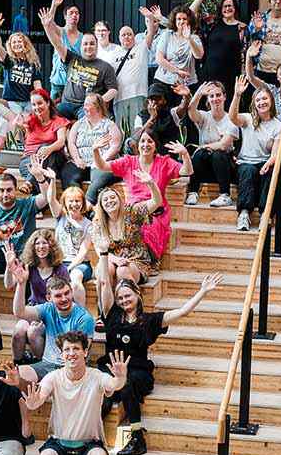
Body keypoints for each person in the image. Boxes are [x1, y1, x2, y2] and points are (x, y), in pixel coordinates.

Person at [99, 273, 222, 455]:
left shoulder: (150, 320)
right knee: (100, 390)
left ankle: (137, 438)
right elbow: (103, 283)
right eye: (120, 298)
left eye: (127, 295)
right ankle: (90, 437)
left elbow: (182, 312)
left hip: (137, 372)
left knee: (126, 384)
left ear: (137, 294)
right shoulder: (112, 315)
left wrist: (202, 291)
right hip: (110, 370)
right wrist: (103, 256)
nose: (124, 300)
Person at [94, 128, 190, 262]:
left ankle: (142, 263)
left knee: (144, 231)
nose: (146, 144)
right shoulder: (128, 162)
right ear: (137, 145)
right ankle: (117, 260)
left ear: (155, 145)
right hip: (132, 212)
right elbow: (102, 166)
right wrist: (95, 151)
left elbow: (186, 171)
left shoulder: (164, 162)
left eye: (150, 141)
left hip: (155, 212)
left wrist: (185, 154)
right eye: (142, 141)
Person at [10, 260, 96, 384]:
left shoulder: (84, 318)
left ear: (72, 292)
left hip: (72, 368)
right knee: (16, 376)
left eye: (67, 293)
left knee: (49, 384)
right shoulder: (48, 308)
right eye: (58, 296)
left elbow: (80, 355)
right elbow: (20, 312)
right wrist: (21, 284)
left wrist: (53, 378)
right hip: (47, 365)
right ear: (49, 298)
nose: (64, 298)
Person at [88, 184, 163, 318]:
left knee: (122, 271)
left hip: (136, 259)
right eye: (105, 199)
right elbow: (100, 250)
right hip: (111, 259)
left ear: (119, 199)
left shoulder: (131, 212)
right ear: (102, 205)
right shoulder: (98, 222)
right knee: (104, 269)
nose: (110, 201)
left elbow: (156, 202)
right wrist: (116, 259)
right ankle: (104, 315)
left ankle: (133, 315)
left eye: (113, 197)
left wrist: (151, 183)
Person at [41, 0, 118, 120]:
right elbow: (53, 36)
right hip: (60, 81)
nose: (88, 46)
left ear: (97, 45)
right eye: (71, 13)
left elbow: (113, 89)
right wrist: (52, 11)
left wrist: (98, 101)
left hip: (82, 99)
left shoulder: (103, 65)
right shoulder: (66, 44)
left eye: (92, 44)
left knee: (84, 120)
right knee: (51, 116)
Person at [229, 77, 281, 233]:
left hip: (265, 162)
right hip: (245, 163)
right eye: (258, 100)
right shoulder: (248, 119)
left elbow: (275, 153)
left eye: (265, 99)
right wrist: (237, 95)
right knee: (248, 170)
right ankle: (244, 213)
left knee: (271, 171)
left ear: (271, 101)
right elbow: (232, 117)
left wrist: (268, 163)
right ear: (254, 103)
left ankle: (265, 215)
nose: (262, 102)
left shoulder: (278, 126)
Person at [6, 228, 73, 362]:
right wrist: (9, 266)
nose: (41, 247)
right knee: (19, 330)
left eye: (44, 243)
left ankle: (42, 364)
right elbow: (8, 285)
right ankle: (18, 363)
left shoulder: (60, 269)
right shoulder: (29, 267)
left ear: (51, 246)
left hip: (52, 312)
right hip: (32, 308)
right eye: (37, 243)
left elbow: (66, 298)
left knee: (33, 332)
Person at [0, 169, 49, 278]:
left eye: (9, 190)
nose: (5, 194)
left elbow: (47, 197)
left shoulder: (27, 204)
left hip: (26, 255)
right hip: (3, 255)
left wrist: (40, 177)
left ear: (15, 190)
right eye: (1, 190)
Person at [184, 81, 240, 207]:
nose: (215, 99)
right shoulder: (204, 116)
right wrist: (199, 93)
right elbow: (191, 111)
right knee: (199, 155)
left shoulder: (231, 119)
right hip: (205, 165)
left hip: (224, 166)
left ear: (224, 97)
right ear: (208, 100)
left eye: (218, 95)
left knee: (217, 154)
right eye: (211, 96)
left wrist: (203, 147)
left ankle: (225, 195)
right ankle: (193, 192)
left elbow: (223, 145)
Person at [57, 89, 122, 192]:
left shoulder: (109, 125)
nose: (84, 107)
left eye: (87, 104)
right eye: (84, 104)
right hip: (81, 162)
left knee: (99, 178)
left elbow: (115, 146)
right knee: (68, 175)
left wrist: (100, 160)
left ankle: (90, 200)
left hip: (101, 163)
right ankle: (76, 199)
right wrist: (77, 159)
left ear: (97, 107)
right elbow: (71, 143)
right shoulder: (78, 124)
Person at [192, 0, 246, 96]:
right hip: (209, 74)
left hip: (231, 77)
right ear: (220, 9)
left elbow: (246, 54)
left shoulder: (242, 28)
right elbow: (190, 13)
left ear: (235, 8)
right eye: (224, 6)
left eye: (230, 6)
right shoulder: (212, 23)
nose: (227, 9)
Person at [48, 180, 95, 300]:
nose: (74, 204)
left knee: (75, 280)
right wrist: (52, 180)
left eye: (77, 201)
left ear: (83, 203)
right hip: (59, 262)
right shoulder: (60, 217)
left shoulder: (88, 225)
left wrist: (68, 268)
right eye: (71, 201)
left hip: (80, 264)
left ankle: (80, 311)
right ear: (64, 203)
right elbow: (51, 199)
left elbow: (83, 252)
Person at [104, 21, 154, 134]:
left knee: (137, 129)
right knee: (121, 131)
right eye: (123, 35)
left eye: (129, 34)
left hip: (138, 95)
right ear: (119, 38)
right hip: (119, 98)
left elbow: (151, 32)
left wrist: (149, 17)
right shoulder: (113, 54)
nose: (126, 37)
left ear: (134, 37)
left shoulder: (141, 48)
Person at [0, 10, 42, 112]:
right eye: (14, 42)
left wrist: (40, 98)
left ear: (25, 44)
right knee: (18, 119)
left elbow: (37, 84)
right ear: (10, 46)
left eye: (19, 41)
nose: (17, 44)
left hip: (29, 101)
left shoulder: (33, 62)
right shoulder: (8, 59)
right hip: (12, 102)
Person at [20, 88, 71, 181]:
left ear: (47, 103)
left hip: (51, 159)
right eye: (33, 105)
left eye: (40, 103)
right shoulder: (29, 121)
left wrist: (49, 148)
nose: (37, 107)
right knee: (40, 170)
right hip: (29, 159)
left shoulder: (59, 121)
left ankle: (28, 183)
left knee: (45, 149)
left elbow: (61, 141)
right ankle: (32, 182)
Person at [152, 6, 203, 90]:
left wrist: (189, 38)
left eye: (184, 19)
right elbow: (159, 59)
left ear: (189, 20)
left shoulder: (194, 38)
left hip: (187, 82)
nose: (181, 21)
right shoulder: (167, 35)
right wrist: (177, 71)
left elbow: (199, 55)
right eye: (179, 19)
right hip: (164, 80)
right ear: (175, 21)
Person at [46, 0, 84, 101]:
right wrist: (54, 6)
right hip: (58, 83)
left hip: (74, 84)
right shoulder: (60, 31)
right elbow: (48, 24)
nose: (74, 15)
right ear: (65, 16)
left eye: (77, 13)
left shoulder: (83, 37)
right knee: (55, 110)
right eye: (71, 13)